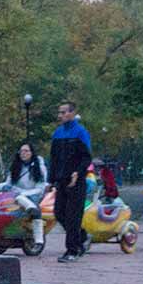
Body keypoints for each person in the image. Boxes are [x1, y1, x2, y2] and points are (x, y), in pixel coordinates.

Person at [49, 101, 92, 262]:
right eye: (59, 113)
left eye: (63, 112)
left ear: (72, 113)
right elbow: (53, 158)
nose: (60, 115)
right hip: (61, 181)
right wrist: (51, 180)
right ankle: (82, 236)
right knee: (59, 213)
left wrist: (78, 173)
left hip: (76, 181)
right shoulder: (58, 133)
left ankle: (72, 251)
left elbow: (86, 157)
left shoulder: (81, 132)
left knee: (73, 216)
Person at [0, 143, 48, 245]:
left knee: (23, 200)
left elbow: (40, 188)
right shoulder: (15, 166)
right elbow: (8, 184)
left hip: (32, 196)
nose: (23, 153)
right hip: (16, 196)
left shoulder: (39, 168)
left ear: (32, 153)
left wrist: (23, 193)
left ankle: (39, 240)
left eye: (26, 151)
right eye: (21, 151)